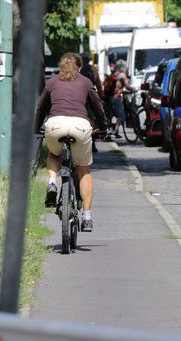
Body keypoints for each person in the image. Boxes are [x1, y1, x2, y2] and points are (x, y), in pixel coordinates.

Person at [35, 52, 108, 232]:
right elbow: (98, 107)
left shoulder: (52, 82)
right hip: (80, 126)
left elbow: (41, 107)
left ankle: (52, 182)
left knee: (54, 154)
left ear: (61, 67)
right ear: (80, 68)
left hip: (55, 125)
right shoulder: (86, 82)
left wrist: (36, 128)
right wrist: (103, 126)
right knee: (83, 170)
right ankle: (87, 216)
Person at [104, 60, 133, 137]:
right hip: (116, 98)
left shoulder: (115, 74)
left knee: (111, 115)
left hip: (109, 97)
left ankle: (112, 130)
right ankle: (115, 130)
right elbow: (127, 86)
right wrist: (134, 90)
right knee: (121, 116)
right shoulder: (122, 75)